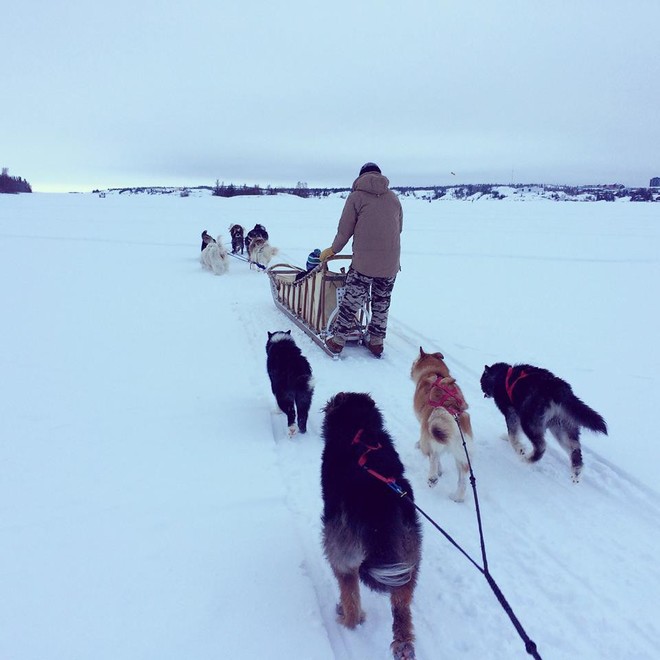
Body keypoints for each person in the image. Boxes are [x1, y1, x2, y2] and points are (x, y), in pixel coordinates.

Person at [320, 162, 403, 357]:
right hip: (390, 261)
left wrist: (333, 250)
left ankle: (338, 340)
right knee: (382, 302)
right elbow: (398, 228)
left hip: (364, 262)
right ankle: (376, 341)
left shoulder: (356, 197)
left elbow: (344, 231)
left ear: (360, 177)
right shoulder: (393, 198)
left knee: (351, 301)